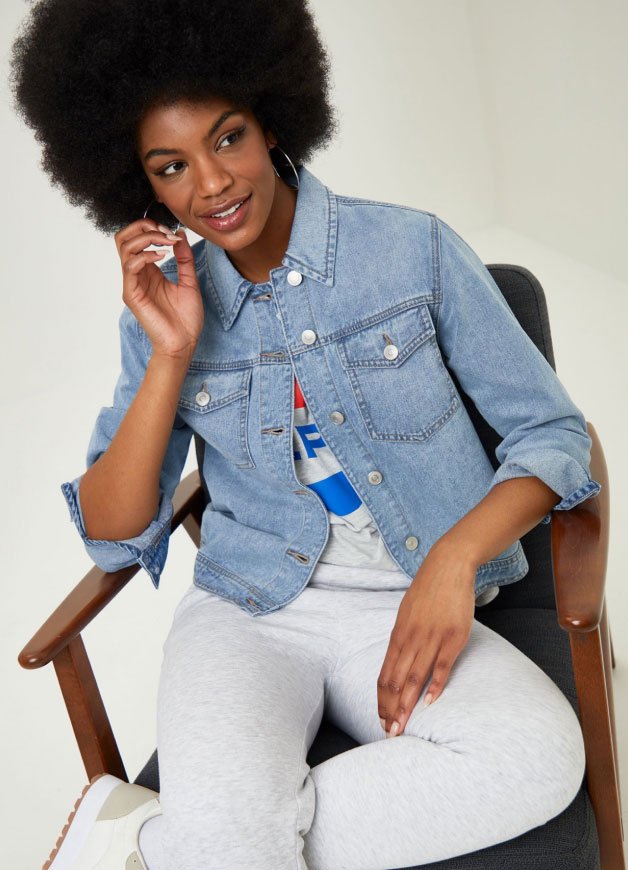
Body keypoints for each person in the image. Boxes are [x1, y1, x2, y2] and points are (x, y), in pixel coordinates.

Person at [10, 1, 601, 868]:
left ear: (272, 117)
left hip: (401, 602)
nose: (210, 185)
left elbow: (552, 434)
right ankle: (216, 837)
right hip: (246, 614)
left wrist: (451, 560)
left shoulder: (413, 251)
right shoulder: (164, 313)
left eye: (228, 138)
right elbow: (112, 534)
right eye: (171, 167)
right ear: (141, 186)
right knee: (238, 833)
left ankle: (159, 843)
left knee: (537, 759)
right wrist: (171, 352)